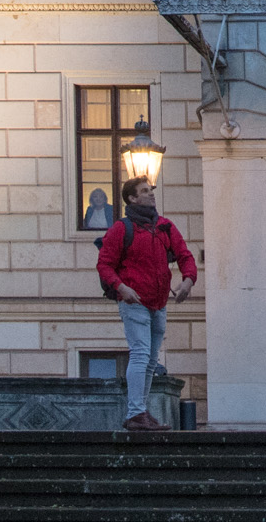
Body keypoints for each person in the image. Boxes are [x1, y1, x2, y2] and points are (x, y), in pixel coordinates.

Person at [93, 175, 200, 434]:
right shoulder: (122, 228)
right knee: (141, 355)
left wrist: (189, 280)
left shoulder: (164, 226)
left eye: (151, 190)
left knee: (151, 359)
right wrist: (122, 287)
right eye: (144, 191)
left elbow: (185, 255)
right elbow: (104, 264)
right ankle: (135, 413)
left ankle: (140, 411)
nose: (151, 194)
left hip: (158, 302)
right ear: (131, 198)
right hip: (134, 301)